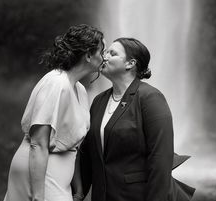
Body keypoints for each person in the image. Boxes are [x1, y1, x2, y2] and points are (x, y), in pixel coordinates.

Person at [80, 37, 195, 201]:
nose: (104, 56)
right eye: (105, 52)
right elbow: (88, 155)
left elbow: (161, 159)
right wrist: (77, 193)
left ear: (130, 63)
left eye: (112, 53)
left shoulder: (150, 98)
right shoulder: (99, 100)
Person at [3, 24, 105, 201]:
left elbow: (74, 145)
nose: (104, 57)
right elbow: (38, 143)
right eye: (101, 52)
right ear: (88, 55)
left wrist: (78, 187)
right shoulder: (56, 83)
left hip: (59, 178)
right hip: (40, 174)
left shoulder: (79, 89)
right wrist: (38, 196)